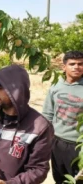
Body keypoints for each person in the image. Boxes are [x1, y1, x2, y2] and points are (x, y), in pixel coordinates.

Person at [42, 51, 83, 184]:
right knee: (59, 178)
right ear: (64, 67)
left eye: (80, 64)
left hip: (79, 146)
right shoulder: (55, 86)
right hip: (57, 142)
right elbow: (48, 114)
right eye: (72, 64)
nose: (77, 67)